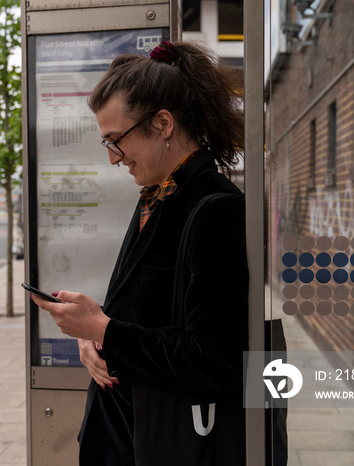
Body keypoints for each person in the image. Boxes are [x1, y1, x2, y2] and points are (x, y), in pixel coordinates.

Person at [29, 40, 248, 465]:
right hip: (125, 435)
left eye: (116, 140)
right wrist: (96, 334)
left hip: (166, 443)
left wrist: (106, 331)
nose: (113, 158)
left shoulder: (216, 209)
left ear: (162, 124)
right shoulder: (157, 194)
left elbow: (215, 360)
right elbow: (149, 316)